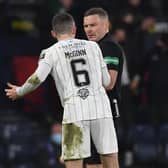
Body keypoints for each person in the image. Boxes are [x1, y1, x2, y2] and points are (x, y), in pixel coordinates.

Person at [5, 12, 118, 168]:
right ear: (74, 29)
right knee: (110, 158)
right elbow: (106, 81)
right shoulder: (94, 46)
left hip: (75, 109)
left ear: (53, 33)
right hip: (101, 107)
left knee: (74, 162)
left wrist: (19, 91)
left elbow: (37, 78)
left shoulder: (50, 52)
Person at [83, 7, 124, 168]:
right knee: (96, 159)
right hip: (94, 110)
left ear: (106, 25)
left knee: (102, 160)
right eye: (86, 26)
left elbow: (109, 82)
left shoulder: (108, 47)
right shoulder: (93, 47)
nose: (89, 30)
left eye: (93, 25)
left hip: (105, 110)